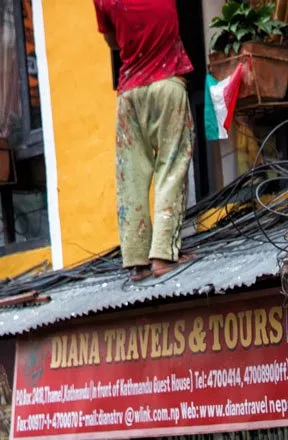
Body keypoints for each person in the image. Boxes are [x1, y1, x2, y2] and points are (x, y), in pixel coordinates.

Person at [94, 0, 195, 282]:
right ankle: (163, 255)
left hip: (129, 93)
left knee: (131, 178)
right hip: (166, 83)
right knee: (171, 167)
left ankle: (136, 261)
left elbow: (112, 41)